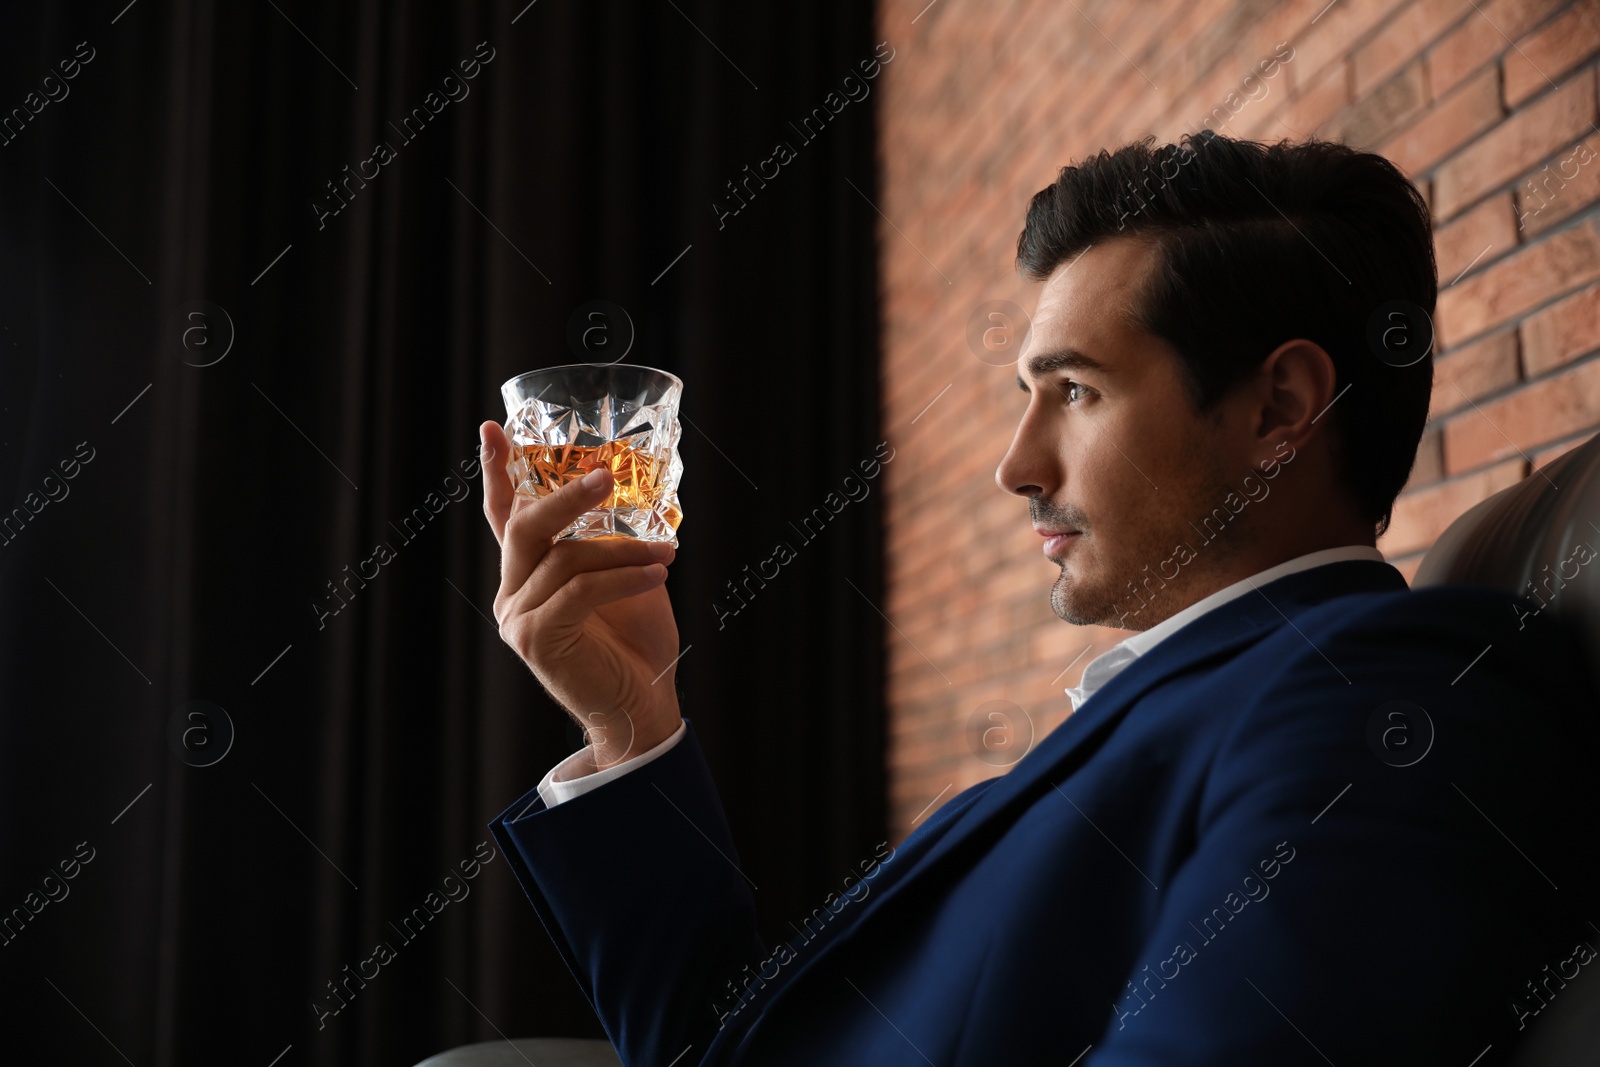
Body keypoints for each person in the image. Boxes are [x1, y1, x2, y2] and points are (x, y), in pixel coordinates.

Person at [477, 131, 1600, 1066]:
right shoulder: (1179, 705)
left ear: (1279, 409)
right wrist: (630, 722)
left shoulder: (1395, 695)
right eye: (1029, 394)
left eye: (1076, 389)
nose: (1016, 464)